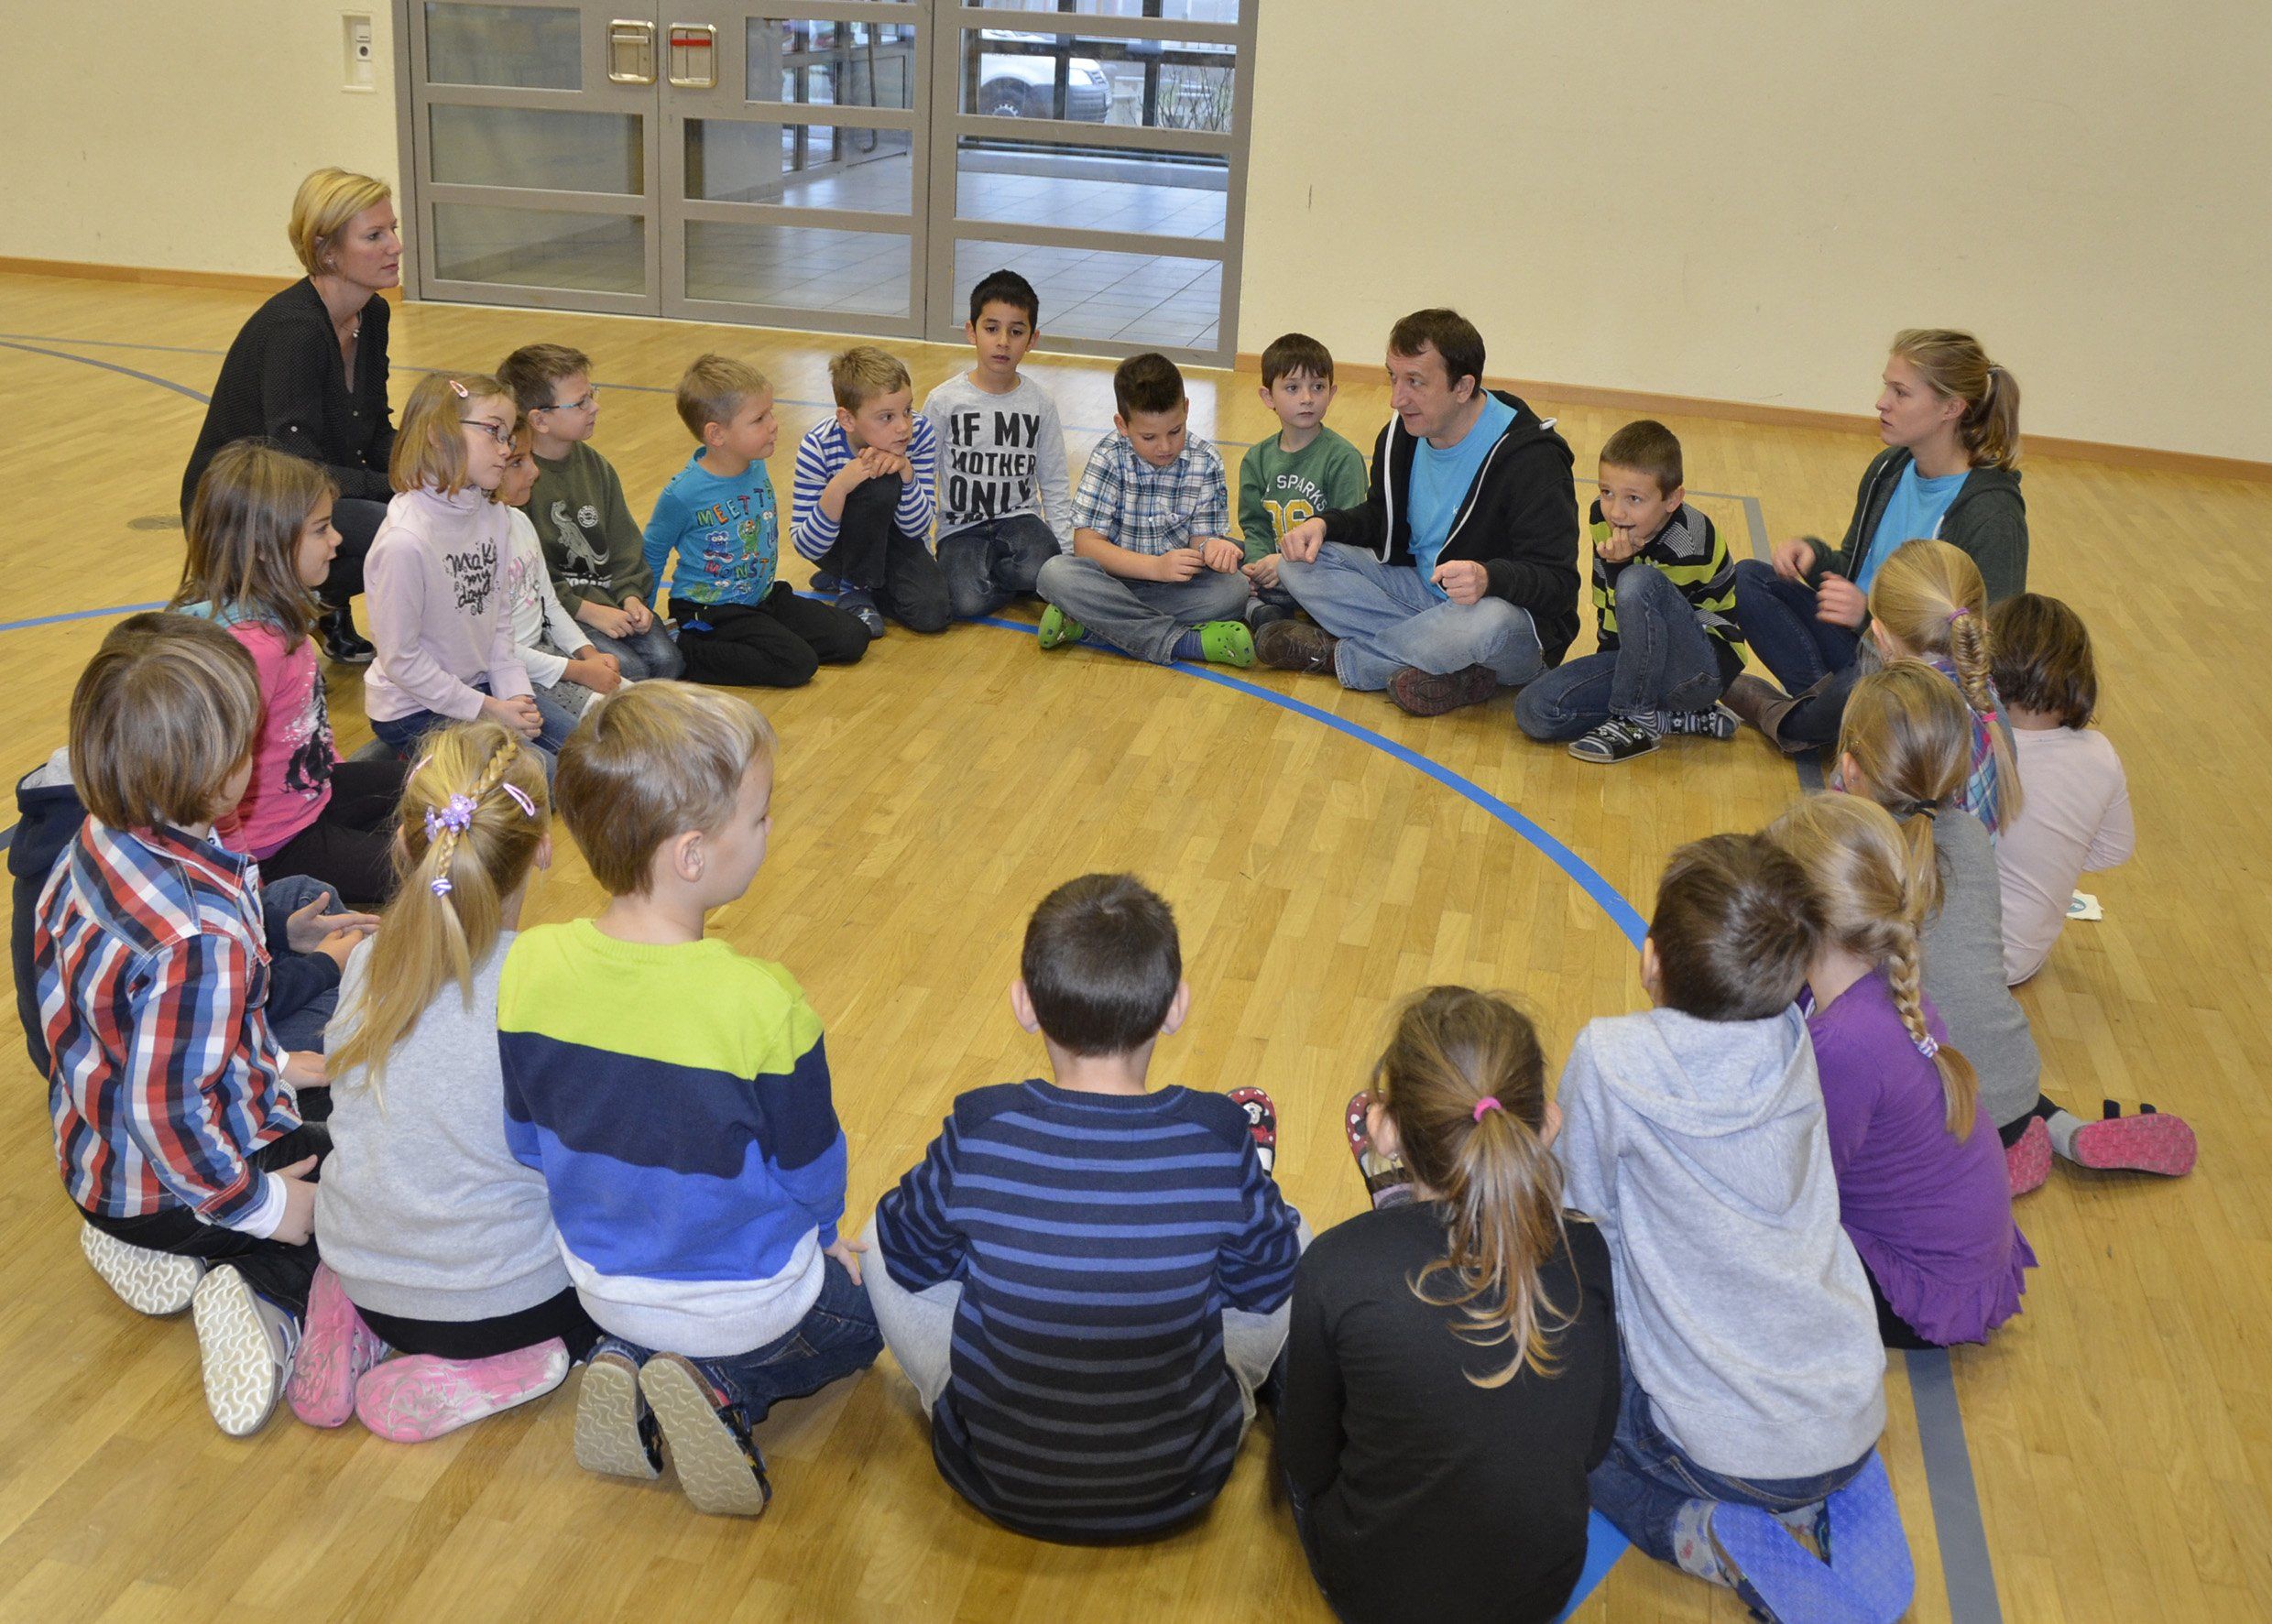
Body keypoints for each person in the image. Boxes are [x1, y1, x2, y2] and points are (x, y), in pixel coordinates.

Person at [499, 682, 879, 1516]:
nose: (770, 829)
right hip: (747, 1301)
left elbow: (524, 1139)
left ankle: (627, 1357)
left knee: (657, 1310)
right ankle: (723, 1386)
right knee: (870, 1312)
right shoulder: (762, 1002)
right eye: (760, 816)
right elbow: (813, 1171)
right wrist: (828, 1241)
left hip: (602, 1282)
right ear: (693, 855)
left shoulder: (529, 965)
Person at [864, 873, 1302, 1542]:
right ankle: (1240, 1363)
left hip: (997, 1478)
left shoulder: (982, 1125)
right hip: (1180, 1481)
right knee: (1297, 1235)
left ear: (1024, 1005)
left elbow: (906, 1253)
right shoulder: (1216, 1134)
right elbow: (1267, 1285)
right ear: (1176, 1007)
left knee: (872, 1236)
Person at [1557, 834, 1906, 1622]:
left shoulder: (1609, 1057)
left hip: (1721, 1453)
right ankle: (1817, 1487)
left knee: (1571, 1437)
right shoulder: (1795, 1040)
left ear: (1651, 959)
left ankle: (1701, 1533)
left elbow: (1581, 1218)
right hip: (1849, 1399)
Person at [38, 616, 365, 1435]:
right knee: (371, 1191)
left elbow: (123, 1031)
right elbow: (169, 1111)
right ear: (213, 773)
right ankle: (263, 1295)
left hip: (99, 1160)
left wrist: (275, 1063)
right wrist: (266, 1206)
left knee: (341, 1104)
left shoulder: (98, 839)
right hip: (181, 1180)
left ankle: (138, 1238)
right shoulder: (197, 938)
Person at [295, 722, 599, 1443]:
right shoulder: (551, 982)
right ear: (544, 847)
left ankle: (339, 1317)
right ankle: (505, 1363)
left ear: (404, 847)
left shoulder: (366, 962)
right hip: (505, 1306)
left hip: (363, 1272)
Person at [1279, 986, 1618, 1623]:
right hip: (1540, 1592)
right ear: (1545, 1126)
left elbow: (1308, 1460)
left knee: (1292, 1371)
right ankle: (1403, 1208)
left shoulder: (1333, 1263)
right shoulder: (1584, 1251)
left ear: (1385, 1130)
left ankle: (1398, 1207)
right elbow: (1595, 1445)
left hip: (1373, 1598)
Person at [1835, 664, 2193, 1195]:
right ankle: (2053, 1134)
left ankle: (1978, 1163)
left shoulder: (1849, 852)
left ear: (1850, 767)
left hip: (1931, 1116)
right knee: (1971, 1049)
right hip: (2015, 1083)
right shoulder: (1969, 836)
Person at [1766, 792, 2034, 1347]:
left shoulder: (1846, 1043)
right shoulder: (1882, 979)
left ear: (1796, 918)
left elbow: (1800, 1188)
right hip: (1960, 1260)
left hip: (1916, 1291)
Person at [1262, 309, 1578, 716]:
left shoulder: (1532, 460)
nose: (1396, 399)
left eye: (1415, 382)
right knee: (1298, 563)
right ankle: (1453, 669)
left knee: (1488, 621)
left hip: (1504, 623)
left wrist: (1490, 577)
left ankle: (1340, 658)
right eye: (1393, 378)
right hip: (1422, 597)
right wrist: (1324, 524)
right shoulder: (1402, 435)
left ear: (1463, 387)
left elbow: (1558, 583)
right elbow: (1381, 518)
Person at [1726, 329, 2026, 751]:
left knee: (1858, 682)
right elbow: (1854, 566)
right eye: (1887, 387)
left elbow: (1985, 647)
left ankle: (1800, 722)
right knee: (1748, 579)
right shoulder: (1889, 468)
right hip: (1861, 648)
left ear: (1951, 408)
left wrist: (1867, 618)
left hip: (1916, 674)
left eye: (1900, 392)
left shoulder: (1992, 515)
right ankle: (1843, 718)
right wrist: (1814, 557)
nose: (1882, 402)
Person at [180, 168, 402, 665]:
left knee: (438, 504)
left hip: (304, 494)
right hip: (241, 508)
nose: (395, 245)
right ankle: (309, 605)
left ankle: (322, 603)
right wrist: (398, 486)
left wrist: (426, 468)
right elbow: (298, 465)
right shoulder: (295, 330)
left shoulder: (374, 314)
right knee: (396, 528)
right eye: (374, 236)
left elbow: (371, 430)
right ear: (327, 251)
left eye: (393, 229)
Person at [170, 440, 406, 905]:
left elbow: (306, 724)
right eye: (321, 530)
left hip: (315, 796)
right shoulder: (250, 651)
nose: (337, 540)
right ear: (265, 546)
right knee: (446, 869)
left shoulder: (276, 615)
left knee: (449, 789)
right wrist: (245, 888)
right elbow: (209, 789)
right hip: (274, 848)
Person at [1513, 420, 1743, 761]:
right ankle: (1675, 719)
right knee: (1536, 709)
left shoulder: (1688, 541)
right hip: (1639, 661)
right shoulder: (1603, 518)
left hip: (1697, 671)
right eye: (1607, 492)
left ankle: (1635, 721)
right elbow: (1609, 605)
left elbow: (1658, 630)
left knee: (1638, 582)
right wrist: (1604, 660)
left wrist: (1622, 568)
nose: (1616, 511)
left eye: (1634, 498)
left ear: (1672, 498)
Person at [362, 372, 554, 768]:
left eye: (508, 437)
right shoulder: (405, 541)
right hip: (412, 707)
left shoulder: (492, 514)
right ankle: (396, 765)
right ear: (438, 434)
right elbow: (402, 661)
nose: (505, 450)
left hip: (479, 688)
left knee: (580, 754)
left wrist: (515, 694)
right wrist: (489, 709)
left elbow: (499, 619)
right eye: (493, 432)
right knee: (542, 776)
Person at [643, 354, 868, 688]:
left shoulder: (755, 465)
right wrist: (646, 627)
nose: (773, 424)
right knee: (797, 663)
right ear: (716, 434)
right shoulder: (683, 493)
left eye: (770, 413)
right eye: (759, 419)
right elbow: (652, 553)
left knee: (853, 637)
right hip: (709, 611)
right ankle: (685, 647)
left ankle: (764, 640)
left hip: (762, 598)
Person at [1032, 354, 1255, 667]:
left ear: (1186, 409)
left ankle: (1091, 625)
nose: (1165, 446)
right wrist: (1155, 567)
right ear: (1122, 425)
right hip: (1114, 579)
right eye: (1149, 437)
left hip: (1174, 587)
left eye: (1175, 431)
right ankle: (1183, 642)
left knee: (1234, 590)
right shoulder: (1108, 457)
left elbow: (1200, 542)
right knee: (1054, 574)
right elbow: (1086, 546)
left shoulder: (1206, 460)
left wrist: (1212, 548)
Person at [496, 343, 686, 681]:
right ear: (539, 420)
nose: (594, 406)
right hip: (563, 612)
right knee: (628, 670)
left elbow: (624, 544)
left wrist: (631, 596)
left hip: (610, 601)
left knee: (667, 659)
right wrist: (589, 611)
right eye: (581, 402)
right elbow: (534, 579)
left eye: (592, 394)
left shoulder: (596, 466)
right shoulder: (517, 481)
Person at [1987, 594, 2135, 985]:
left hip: (1953, 957)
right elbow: (2115, 849)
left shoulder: (1975, 742)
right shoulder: (2100, 753)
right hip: (2024, 958)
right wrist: (2052, 855)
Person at [921, 268, 1075, 619]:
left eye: (1016, 332)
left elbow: (1053, 481)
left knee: (1044, 568)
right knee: (965, 603)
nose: (1003, 341)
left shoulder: (1040, 403)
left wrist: (1064, 557)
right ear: (971, 331)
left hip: (1021, 521)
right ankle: (1005, 582)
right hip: (961, 529)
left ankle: (1001, 577)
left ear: (1032, 339)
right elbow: (922, 478)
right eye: (991, 329)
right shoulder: (943, 401)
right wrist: (923, 547)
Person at [791, 345, 950, 638]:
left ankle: (851, 576)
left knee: (933, 613)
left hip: (895, 539)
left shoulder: (921, 434)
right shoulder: (817, 446)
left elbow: (917, 528)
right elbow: (807, 546)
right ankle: (855, 589)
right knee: (877, 482)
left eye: (907, 410)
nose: (904, 427)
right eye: (887, 417)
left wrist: (906, 473)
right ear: (847, 420)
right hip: (835, 542)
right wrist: (840, 486)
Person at [495, 422, 625, 738]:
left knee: (645, 709)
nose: (535, 471)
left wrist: (589, 654)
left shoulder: (519, 522)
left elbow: (549, 605)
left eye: (530, 458)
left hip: (548, 653)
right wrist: (580, 671)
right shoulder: (478, 548)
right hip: (518, 675)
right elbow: (497, 651)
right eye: (517, 462)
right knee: (619, 731)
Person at [1236, 332, 1368, 631]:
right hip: (1272, 569)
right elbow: (1255, 526)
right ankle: (1268, 612)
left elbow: (1349, 536)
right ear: (1268, 397)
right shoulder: (1256, 459)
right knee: (1227, 558)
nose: (1307, 398)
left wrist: (1284, 565)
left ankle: (1271, 612)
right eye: (1293, 388)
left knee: (1342, 584)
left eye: (1318, 387)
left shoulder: (1343, 458)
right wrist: (1258, 565)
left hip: (1320, 569)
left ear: (1331, 393)